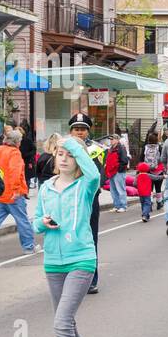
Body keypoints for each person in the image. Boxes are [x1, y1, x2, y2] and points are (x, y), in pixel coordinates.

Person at [34, 136, 101, 337]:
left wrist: (72, 142)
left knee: (61, 322)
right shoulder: (46, 188)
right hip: (53, 261)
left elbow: (94, 171)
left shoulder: (86, 185)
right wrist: (43, 222)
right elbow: (36, 220)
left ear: (78, 159)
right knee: (66, 322)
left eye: (69, 155)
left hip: (81, 259)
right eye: (59, 154)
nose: (63, 158)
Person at [66, 114, 106, 293]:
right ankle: (69, 277)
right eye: (76, 129)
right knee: (67, 239)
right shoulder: (64, 148)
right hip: (66, 202)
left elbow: (97, 178)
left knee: (89, 240)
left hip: (87, 202)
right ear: (70, 131)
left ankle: (91, 280)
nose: (79, 132)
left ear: (88, 131)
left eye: (83, 129)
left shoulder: (95, 150)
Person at [0, 129, 35, 254]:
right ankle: (29, 247)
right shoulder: (14, 152)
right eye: (20, 140)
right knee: (22, 221)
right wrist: (15, 190)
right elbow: (15, 171)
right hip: (12, 194)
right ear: (17, 142)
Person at [104, 134, 130, 213]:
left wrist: (119, 169)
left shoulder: (121, 148)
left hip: (118, 172)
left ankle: (123, 206)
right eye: (110, 139)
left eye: (112, 139)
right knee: (113, 190)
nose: (111, 141)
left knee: (120, 189)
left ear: (117, 140)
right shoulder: (111, 148)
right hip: (111, 171)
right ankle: (117, 205)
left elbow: (125, 160)